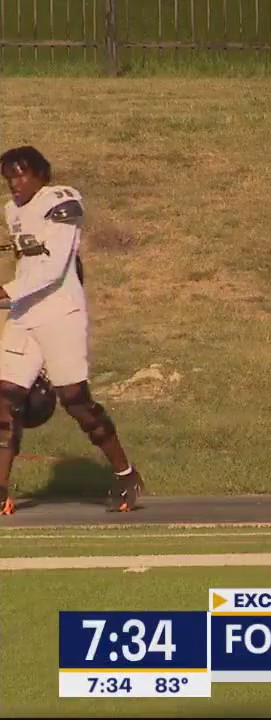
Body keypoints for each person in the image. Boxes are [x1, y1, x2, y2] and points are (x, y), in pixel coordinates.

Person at [0, 146, 143, 514]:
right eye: (8, 177)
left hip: (60, 312)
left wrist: (6, 291)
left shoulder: (62, 200)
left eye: (20, 174)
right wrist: (11, 297)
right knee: (5, 398)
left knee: (76, 401)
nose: (14, 183)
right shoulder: (12, 210)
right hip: (24, 313)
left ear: (40, 174)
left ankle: (127, 475)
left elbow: (54, 267)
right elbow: (27, 264)